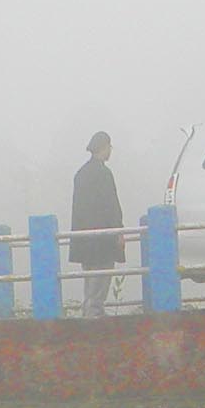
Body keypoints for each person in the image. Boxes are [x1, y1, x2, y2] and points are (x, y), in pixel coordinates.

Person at [70, 130, 124, 316]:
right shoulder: (104, 174)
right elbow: (111, 205)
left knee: (90, 277)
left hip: (85, 238)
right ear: (104, 147)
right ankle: (94, 312)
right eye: (110, 146)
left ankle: (89, 310)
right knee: (102, 276)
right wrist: (118, 231)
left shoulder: (81, 174)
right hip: (103, 237)